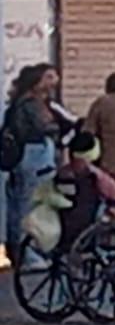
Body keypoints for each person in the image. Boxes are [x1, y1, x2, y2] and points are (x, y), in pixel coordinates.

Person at [3, 64, 63, 256]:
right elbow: (44, 127)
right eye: (49, 77)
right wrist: (58, 128)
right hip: (32, 154)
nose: (54, 81)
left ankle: (19, 247)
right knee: (28, 203)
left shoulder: (25, 102)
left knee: (22, 201)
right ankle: (26, 251)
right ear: (37, 81)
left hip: (27, 155)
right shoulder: (31, 104)